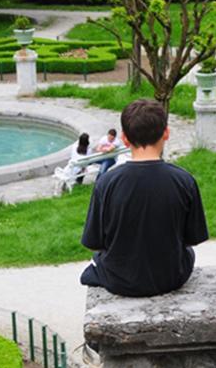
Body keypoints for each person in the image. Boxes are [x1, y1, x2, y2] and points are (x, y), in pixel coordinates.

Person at [80, 99, 208, 296]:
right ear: (166, 133)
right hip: (171, 276)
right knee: (188, 253)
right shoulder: (184, 180)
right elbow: (194, 237)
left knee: (98, 260)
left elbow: (94, 241)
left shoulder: (107, 183)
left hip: (119, 279)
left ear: (125, 139)